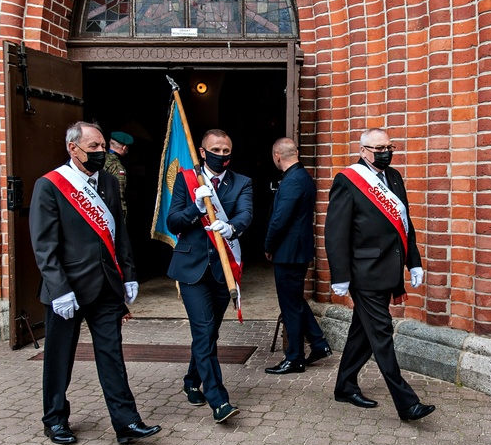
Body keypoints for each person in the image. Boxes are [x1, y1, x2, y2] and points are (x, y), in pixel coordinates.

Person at [29, 121, 161, 445]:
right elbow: (44, 246)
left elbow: (119, 233)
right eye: (94, 148)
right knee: (60, 358)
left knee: (112, 355)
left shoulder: (109, 183)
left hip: (105, 287)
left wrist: (128, 274)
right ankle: (55, 420)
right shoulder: (50, 185)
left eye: (102, 146)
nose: (101, 152)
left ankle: (127, 422)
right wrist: (58, 289)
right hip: (67, 290)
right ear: (73, 149)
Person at [324, 128, 434, 421]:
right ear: (363, 151)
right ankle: (406, 402)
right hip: (364, 272)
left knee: (362, 332)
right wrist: (340, 276)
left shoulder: (394, 177)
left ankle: (345, 386)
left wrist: (414, 262)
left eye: (388, 147)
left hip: (389, 269)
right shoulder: (348, 180)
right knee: (382, 332)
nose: (385, 152)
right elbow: (336, 233)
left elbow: (405, 224)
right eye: (378, 148)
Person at [167, 128, 253, 423]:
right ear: (202, 152)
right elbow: (173, 219)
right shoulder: (186, 179)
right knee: (203, 331)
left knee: (210, 332)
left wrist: (231, 229)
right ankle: (219, 400)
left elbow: (245, 214)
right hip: (191, 268)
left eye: (227, 151)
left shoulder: (242, 182)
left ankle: (192, 380)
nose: (222, 155)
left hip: (222, 267)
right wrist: (195, 206)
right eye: (216, 150)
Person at [264, 138, 333, 375]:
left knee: (290, 305)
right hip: (296, 250)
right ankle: (319, 344)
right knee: (295, 300)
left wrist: (268, 244)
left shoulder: (293, 180)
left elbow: (280, 219)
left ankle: (294, 358)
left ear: (276, 155)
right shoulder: (302, 176)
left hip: (289, 252)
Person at [104, 131, 134, 220]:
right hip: (110, 212)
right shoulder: (117, 166)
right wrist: (122, 217)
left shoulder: (101, 159)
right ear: (124, 148)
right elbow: (119, 194)